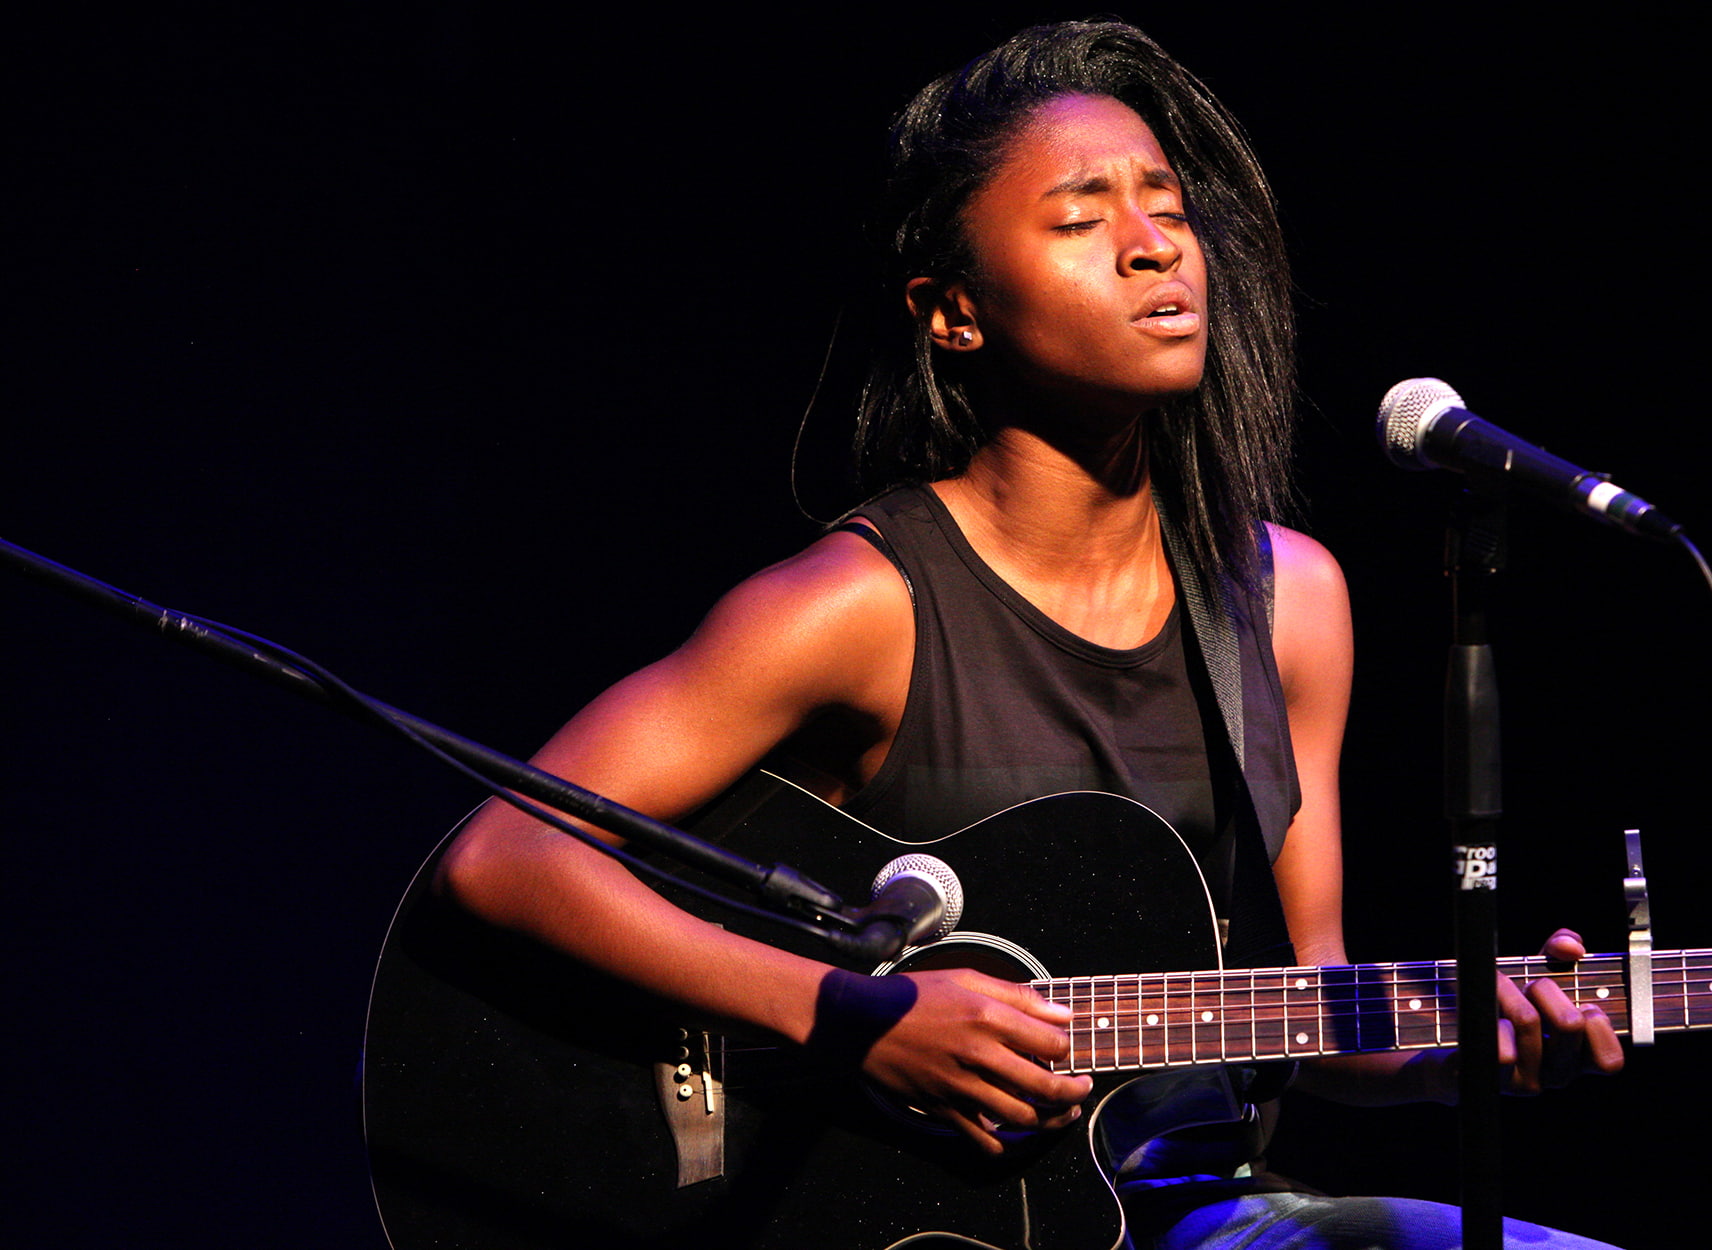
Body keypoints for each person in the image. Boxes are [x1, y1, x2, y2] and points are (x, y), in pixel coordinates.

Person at [438, 20, 1626, 1250]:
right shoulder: (860, 604)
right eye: (1080, 220)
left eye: (1166, 206)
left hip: (1182, 1212)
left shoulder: (1286, 603)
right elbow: (506, 852)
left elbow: (1300, 1006)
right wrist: (851, 1010)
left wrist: (1453, 1059)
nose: (1153, 244)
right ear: (954, 312)